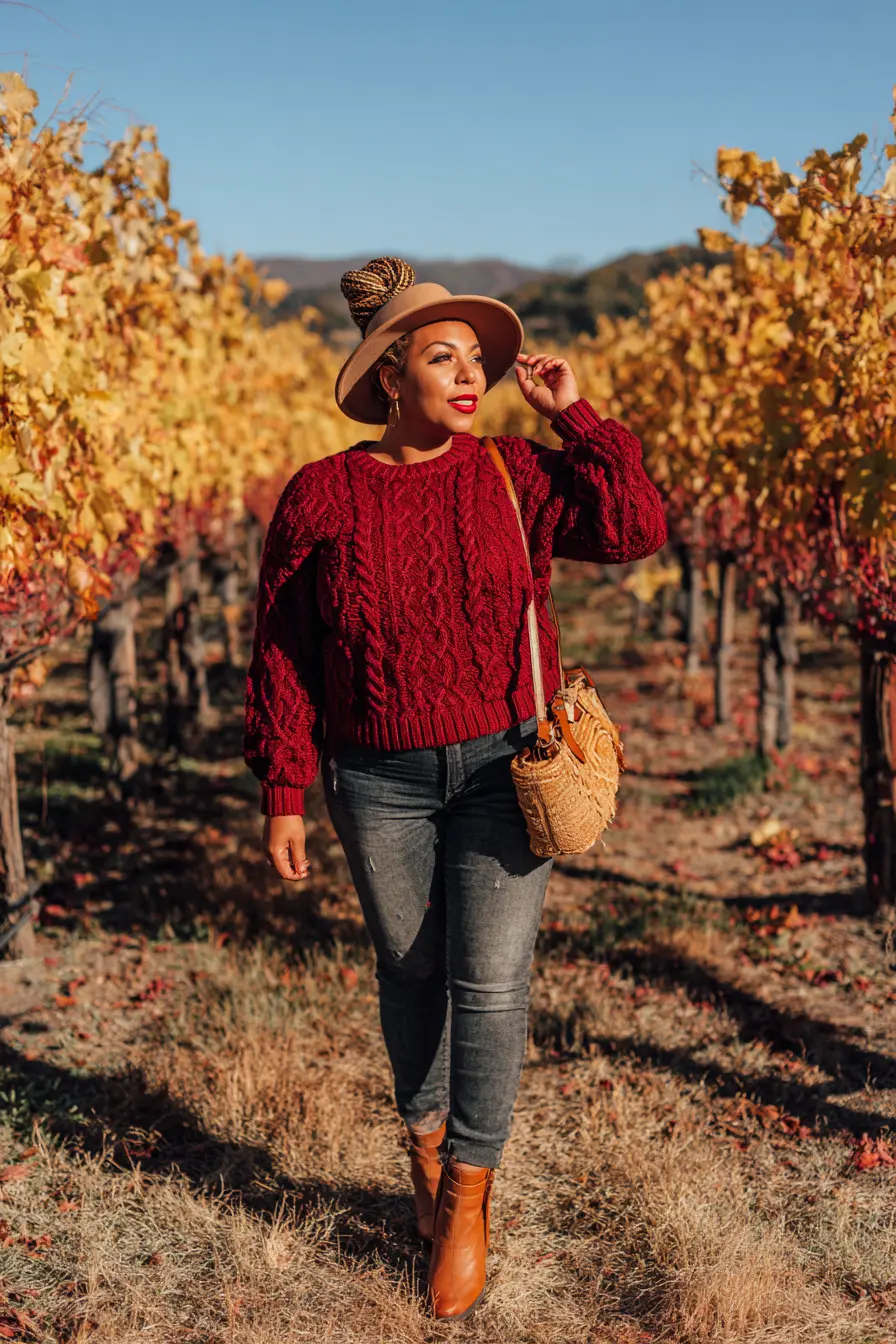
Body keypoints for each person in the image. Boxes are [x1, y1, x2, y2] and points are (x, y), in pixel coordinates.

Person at [243, 257, 667, 1320]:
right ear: (391, 376)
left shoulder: (514, 473)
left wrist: (579, 418)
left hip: (497, 767)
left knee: (489, 980)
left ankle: (469, 1193)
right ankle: (424, 1150)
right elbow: (283, 649)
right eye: (444, 357)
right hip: (373, 777)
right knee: (408, 966)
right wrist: (282, 785)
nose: (470, 376)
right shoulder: (322, 493)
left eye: (476, 359)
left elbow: (633, 529)